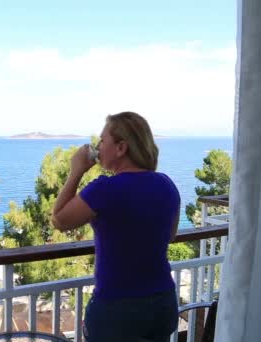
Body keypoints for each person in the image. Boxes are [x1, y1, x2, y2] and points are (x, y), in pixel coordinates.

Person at [52, 111, 180, 342]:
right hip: (162, 302)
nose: (98, 147)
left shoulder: (105, 189)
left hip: (117, 308)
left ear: (121, 148)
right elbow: (169, 236)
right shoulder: (166, 184)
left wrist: (76, 170)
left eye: (102, 140)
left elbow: (60, 220)